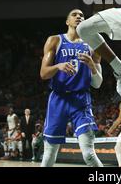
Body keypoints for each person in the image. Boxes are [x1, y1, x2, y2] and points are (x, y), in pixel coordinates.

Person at [40, 9, 103, 167]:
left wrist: (91, 66)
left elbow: (97, 83)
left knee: (88, 154)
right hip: (58, 98)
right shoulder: (55, 40)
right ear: (67, 21)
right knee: (49, 153)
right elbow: (43, 73)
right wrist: (58, 66)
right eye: (75, 15)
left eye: (82, 16)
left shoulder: (93, 46)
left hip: (81, 100)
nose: (79, 17)